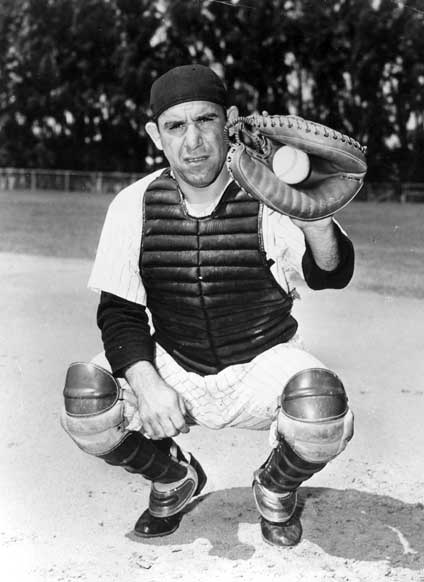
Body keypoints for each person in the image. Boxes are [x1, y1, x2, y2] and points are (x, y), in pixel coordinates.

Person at [61, 64, 356, 547]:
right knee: (87, 400)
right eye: (176, 126)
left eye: (205, 121)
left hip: (262, 365)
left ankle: (276, 487)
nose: (193, 141)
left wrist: (317, 219)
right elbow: (119, 312)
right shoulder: (132, 203)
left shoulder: (269, 194)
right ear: (156, 135)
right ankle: (174, 479)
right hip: (178, 366)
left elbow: (331, 273)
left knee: (321, 407)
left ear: (230, 121)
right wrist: (148, 385)